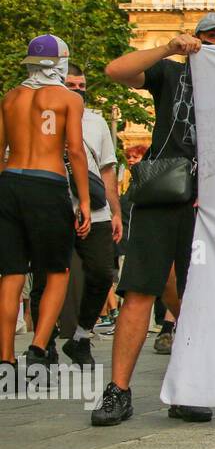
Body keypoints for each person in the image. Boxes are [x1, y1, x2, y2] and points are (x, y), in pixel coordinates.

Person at [91, 13, 215, 426]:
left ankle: (187, 389)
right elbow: (116, 70)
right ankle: (118, 390)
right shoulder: (171, 74)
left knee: (199, 299)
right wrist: (170, 48)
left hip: (211, 206)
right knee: (139, 290)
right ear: (196, 42)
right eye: (212, 38)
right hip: (163, 195)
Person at [0, 35, 92, 387]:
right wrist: (83, 200)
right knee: (57, 270)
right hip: (47, 182)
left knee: (11, 275)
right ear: (62, 64)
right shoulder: (68, 98)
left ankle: (5, 359)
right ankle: (38, 347)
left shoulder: (9, 98)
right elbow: (76, 151)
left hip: (9, 183)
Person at [28, 63, 122, 367]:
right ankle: (45, 343)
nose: (77, 90)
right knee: (44, 278)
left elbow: (107, 169)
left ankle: (81, 336)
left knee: (101, 273)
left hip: (94, 210)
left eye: (82, 86)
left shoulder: (95, 122)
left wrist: (115, 211)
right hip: (50, 208)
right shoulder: (36, 117)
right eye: (71, 84)